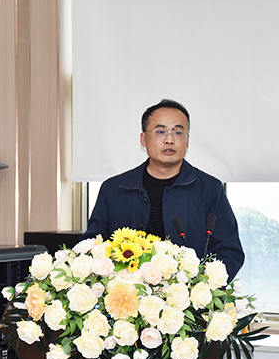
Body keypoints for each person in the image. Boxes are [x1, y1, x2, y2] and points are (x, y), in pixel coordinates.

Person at [82, 99, 244, 282]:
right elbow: (92, 247)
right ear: (143, 139)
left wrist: (200, 287)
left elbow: (229, 252)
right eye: (160, 132)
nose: (169, 139)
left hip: (187, 296)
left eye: (178, 132)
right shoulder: (114, 189)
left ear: (187, 141)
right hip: (125, 294)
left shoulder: (210, 189)